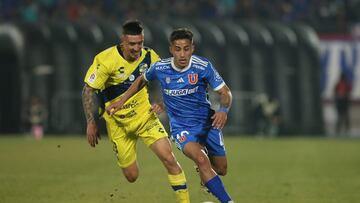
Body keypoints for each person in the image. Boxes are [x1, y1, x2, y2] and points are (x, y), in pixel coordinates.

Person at [107, 28, 234, 203]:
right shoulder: (161, 67)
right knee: (201, 160)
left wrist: (223, 111)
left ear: (192, 48)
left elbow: (226, 93)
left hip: (207, 123)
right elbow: (141, 80)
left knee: (221, 169)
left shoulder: (203, 66)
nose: (182, 54)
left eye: (186, 49)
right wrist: (121, 101)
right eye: (178, 49)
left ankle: (206, 174)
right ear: (171, 49)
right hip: (182, 128)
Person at [81, 20, 190, 203]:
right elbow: (88, 90)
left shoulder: (149, 56)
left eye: (140, 43)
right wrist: (91, 122)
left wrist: (160, 102)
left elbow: (170, 80)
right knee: (131, 176)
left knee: (169, 158)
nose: (137, 48)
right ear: (122, 41)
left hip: (145, 117)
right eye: (132, 44)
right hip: (118, 125)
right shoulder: (106, 60)